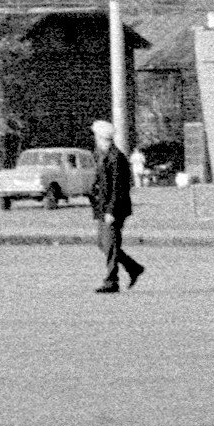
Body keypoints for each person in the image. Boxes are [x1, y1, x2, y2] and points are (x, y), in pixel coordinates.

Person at [88, 118, 144, 294]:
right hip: (104, 207)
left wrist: (111, 211)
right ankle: (133, 267)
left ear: (101, 137)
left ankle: (112, 281)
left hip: (115, 209)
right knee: (102, 243)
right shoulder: (101, 154)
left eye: (96, 135)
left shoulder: (116, 158)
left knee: (110, 244)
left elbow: (119, 188)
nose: (94, 139)